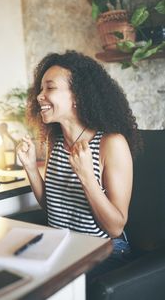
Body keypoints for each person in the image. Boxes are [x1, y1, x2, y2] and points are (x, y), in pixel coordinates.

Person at [17, 50, 141, 296]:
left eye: (49, 88)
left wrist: (87, 177)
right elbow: (53, 207)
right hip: (63, 249)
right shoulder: (57, 141)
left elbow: (115, 227)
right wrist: (31, 168)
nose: (40, 96)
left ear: (77, 96)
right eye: (40, 88)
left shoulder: (110, 143)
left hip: (104, 251)